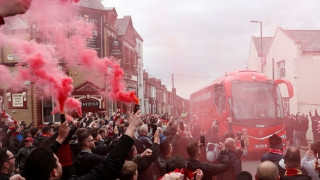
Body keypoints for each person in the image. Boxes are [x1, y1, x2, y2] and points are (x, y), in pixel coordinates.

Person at [23, 111, 142, 180]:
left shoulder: (30, 173)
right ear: (54, 172)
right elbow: (110, 164)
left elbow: (41, 155)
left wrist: (60, 139)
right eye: (57, 160)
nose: (59, 159)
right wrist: (131, 127)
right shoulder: (86, 157)